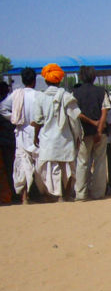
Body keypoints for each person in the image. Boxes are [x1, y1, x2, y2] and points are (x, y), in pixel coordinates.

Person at [32, 63, 83, 201]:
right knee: (67, 168)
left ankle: (56, 195)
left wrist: (35, 136)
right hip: (65, 138)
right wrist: (77, 136)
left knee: (50, 169)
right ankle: (66, 195)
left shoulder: (40, 98)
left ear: (45, 80)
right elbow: (75, 118)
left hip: (47, 139)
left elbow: (37, 120)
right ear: (59, 80)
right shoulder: (66, 96)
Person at [73, 65, 111, 201]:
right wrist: (99, 130)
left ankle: (81, 193)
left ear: (81, 77)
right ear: (94, 77)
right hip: (101, 133)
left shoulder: (75, 93)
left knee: (82, 162)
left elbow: (77, 114)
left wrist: (91, 123)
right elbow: (104, 112)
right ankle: (98, 193)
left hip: (84, 133)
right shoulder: (102, 92)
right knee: (100, 162)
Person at [10, 67, 47, 203]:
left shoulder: (16, 95)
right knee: (40, 166)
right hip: (37, 133)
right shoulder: (39, 95)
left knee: (23, 166)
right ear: (34, 80)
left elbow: (3, 107)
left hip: (21, 133)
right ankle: (44, 194)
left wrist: (14, 118)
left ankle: (25, 197)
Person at [0, 81, 18, 203]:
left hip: (5, 142)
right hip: (10, 141)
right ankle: (14, 193)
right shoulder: (10, 105)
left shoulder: (5, 106)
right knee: (12, 168)